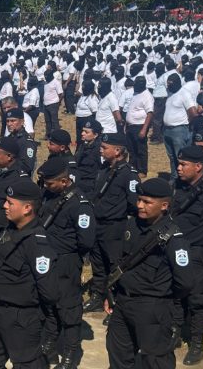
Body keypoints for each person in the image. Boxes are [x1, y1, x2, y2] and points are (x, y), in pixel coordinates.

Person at [105, 178, 194, 369]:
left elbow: (185, 282)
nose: (139, 205)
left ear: (164, 205)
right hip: (123, 303)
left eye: (147, 202)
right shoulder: (133, 226)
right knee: (118, 355)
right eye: (139, 200)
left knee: (155, 360)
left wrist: (165, 303)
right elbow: (121, 261)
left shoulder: (174, 239)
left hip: (153, 308)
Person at [0, 178, 59, 369]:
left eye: (10, 203)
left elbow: (49, 292)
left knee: (26, 364)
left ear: (27, 208)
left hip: (21, 318)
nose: (4, 206)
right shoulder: (11, 230)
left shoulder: (37, 243)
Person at [37, 158, 96, 368]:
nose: (46, 186)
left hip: (66, 261)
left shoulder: (79, 204)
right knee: (49, 305)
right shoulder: (49, 195)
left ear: (64, 181)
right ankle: (49, 347)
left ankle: (71, 354)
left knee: (68, 309)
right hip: (47, 260)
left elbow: (86, 240)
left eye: (50, 183)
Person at [83, 133, 140, 315]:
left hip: (114, 227)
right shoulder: (104, 169)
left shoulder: (129, 174)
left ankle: (115, 304)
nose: (101, 149)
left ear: (117, 151)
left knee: (114, 266)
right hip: (97, 224)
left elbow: (134, 203)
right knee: (98, 264)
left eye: (105, 147)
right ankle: (99, 297)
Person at [173, 145, 203, 365]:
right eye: (179, 163)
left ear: (198, 166)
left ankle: (196, 343)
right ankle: (175, 332)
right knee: (175, 293)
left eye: (184, 165)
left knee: (197, 299)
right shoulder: (178, 185)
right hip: (176, 249)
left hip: (198, 252)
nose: (178, 168)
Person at [163, 73, 199, 181]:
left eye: (170, 84)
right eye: (168, 84)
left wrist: (186, 124)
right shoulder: (170, 94)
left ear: (177, 83)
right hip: (167, 130)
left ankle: (183, 179)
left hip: (179, 130)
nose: (168, 86)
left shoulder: (184, 93)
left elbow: (193, 113)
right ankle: (174, 178)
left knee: (181, 157)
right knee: (171, 156)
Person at [125, 76, 154, 178]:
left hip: (140, 126)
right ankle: (132, 167)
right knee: (131, 149)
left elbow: (150, 113)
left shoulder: (147, 96)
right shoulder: (135, 93)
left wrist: (144, 129)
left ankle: (142, 170)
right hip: (130, 126)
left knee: (141, 149)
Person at [74, 119, 103, 195]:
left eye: (86, 132)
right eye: (83, 131)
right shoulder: (83, 145)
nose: (82, 133)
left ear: (95, 135)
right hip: (79, 181)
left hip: (89, 186)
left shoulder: (99, 149)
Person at [4, 108, 37, 174]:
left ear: (22, 122)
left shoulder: (26, 141)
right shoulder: (10, 137)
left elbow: (27, 166)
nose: (9, 124)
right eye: (7, 121)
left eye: (13, 121)